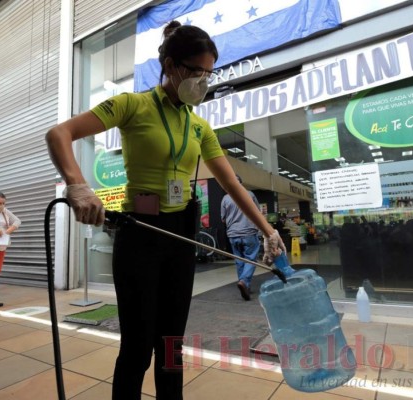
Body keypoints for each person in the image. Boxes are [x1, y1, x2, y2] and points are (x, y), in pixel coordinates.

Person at [45, 20, 286, 400]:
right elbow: (59, 134)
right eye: (196, 72)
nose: (203, 82)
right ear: (171, 66)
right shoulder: (131, 105)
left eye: (209, 74)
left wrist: (267, 229)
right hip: (140, 231)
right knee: (138, 346)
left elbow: (231, 184)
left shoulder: (199, 126)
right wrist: (78, 184)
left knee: (172, 345)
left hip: (180, 232)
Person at [221, 175, 261, 301]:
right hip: (249, 233)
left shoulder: (225, 198)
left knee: (239, 261)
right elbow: (257, 213)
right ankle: (244, 282)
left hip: (233, 235)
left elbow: (223, 219)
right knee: (251, 259)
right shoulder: (250, 194)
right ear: (241, 183)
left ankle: (245, 286)